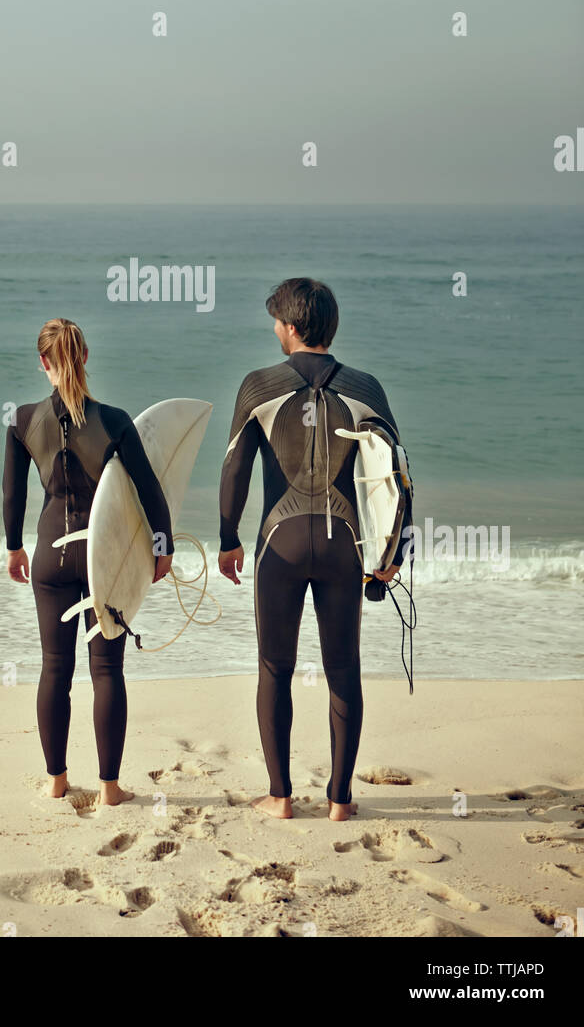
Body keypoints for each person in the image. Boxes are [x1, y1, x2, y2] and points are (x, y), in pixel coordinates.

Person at [217, 279, 412, 823]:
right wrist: (395, 550)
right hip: (344, 549)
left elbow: (234, 468)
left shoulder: (258, 386)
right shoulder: (367, 388)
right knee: (343, 668)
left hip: (277, 548)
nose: (275, 330)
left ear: (293, 328)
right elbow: (396, 475)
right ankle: (340, 800)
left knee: (274, 668)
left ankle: (279, 796)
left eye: (277, 322)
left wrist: (228, 537)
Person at [3, 318, 174, 807]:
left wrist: (14, 547)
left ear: (44, 363)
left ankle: (56, 780)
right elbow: (149, 490)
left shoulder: (21, 421)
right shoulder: (115, 421)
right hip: (105, 560)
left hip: (51, 557)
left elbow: (12, 495)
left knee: (55, 668)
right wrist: (162, 547)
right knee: (107, 671)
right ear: (84, 358)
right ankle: (109, 788)